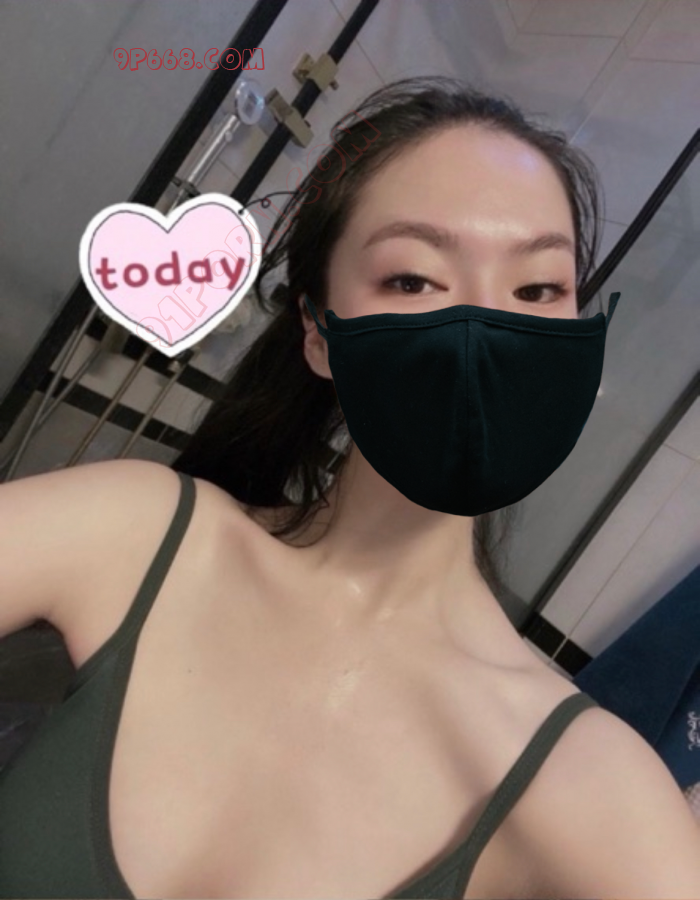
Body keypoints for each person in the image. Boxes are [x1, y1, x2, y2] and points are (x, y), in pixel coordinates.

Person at [1, 75, 699, 900]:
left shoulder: (583, 777)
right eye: (413, 280)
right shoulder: (136, 530)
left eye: (537, 290)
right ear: (319, 333)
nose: (484, 332)